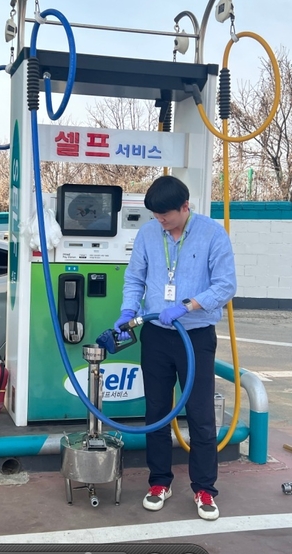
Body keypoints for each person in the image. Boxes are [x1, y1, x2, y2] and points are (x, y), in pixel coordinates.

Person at [114, 175, 236, 521]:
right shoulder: (148, 234)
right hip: (156, 334)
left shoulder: (212, 234)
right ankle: (159, 482)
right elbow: (135, 277)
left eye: (165, 215)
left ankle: (204, 489)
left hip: (195, 336)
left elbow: (226, 285)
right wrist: (128, 310)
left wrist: (188, 305)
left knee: (200, 413)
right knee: (156, 411)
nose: (160, 221)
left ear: (185, 207)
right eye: (155, 215)